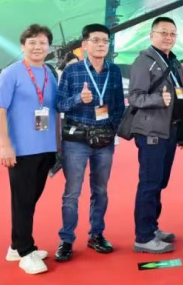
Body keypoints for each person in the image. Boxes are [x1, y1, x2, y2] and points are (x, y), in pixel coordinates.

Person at [54, 24, 125, 262]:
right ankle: (66, 239)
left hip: (104, 140)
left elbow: (119, 106)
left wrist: (114, 130)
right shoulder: (72, 71)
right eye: (96, 40)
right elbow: (59, 104)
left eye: (105, 41)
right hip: (77, 139)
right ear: (84, 45)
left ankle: (96, 234)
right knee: (72, 192)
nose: (101, 44)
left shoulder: (114, 71)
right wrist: (78, 98)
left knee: (101, 190)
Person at [0, 24, 58, 275]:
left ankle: (15, 246)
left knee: (30, 199)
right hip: (21, 150)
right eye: (32, 42)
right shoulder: (11, 73)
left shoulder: (49, 73)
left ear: (48, 47)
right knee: (22, 201)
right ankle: (25, 250)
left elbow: (55, 109)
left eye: (42, 42)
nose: (37, 47)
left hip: (46, 147)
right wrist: (4, 145)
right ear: (22, 46)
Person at [127, 17, 183, 254]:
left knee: (159, 182)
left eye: (172, 34)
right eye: (163, 32)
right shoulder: (143, 61)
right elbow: (134, 96)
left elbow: (180, 97)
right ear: (152, 35)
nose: (168, 37)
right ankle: (143, 237)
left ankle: (152, 227)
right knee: (149, 183)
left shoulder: (172, 61)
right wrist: (157, 99)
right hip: (151, 132)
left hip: (169, 131)